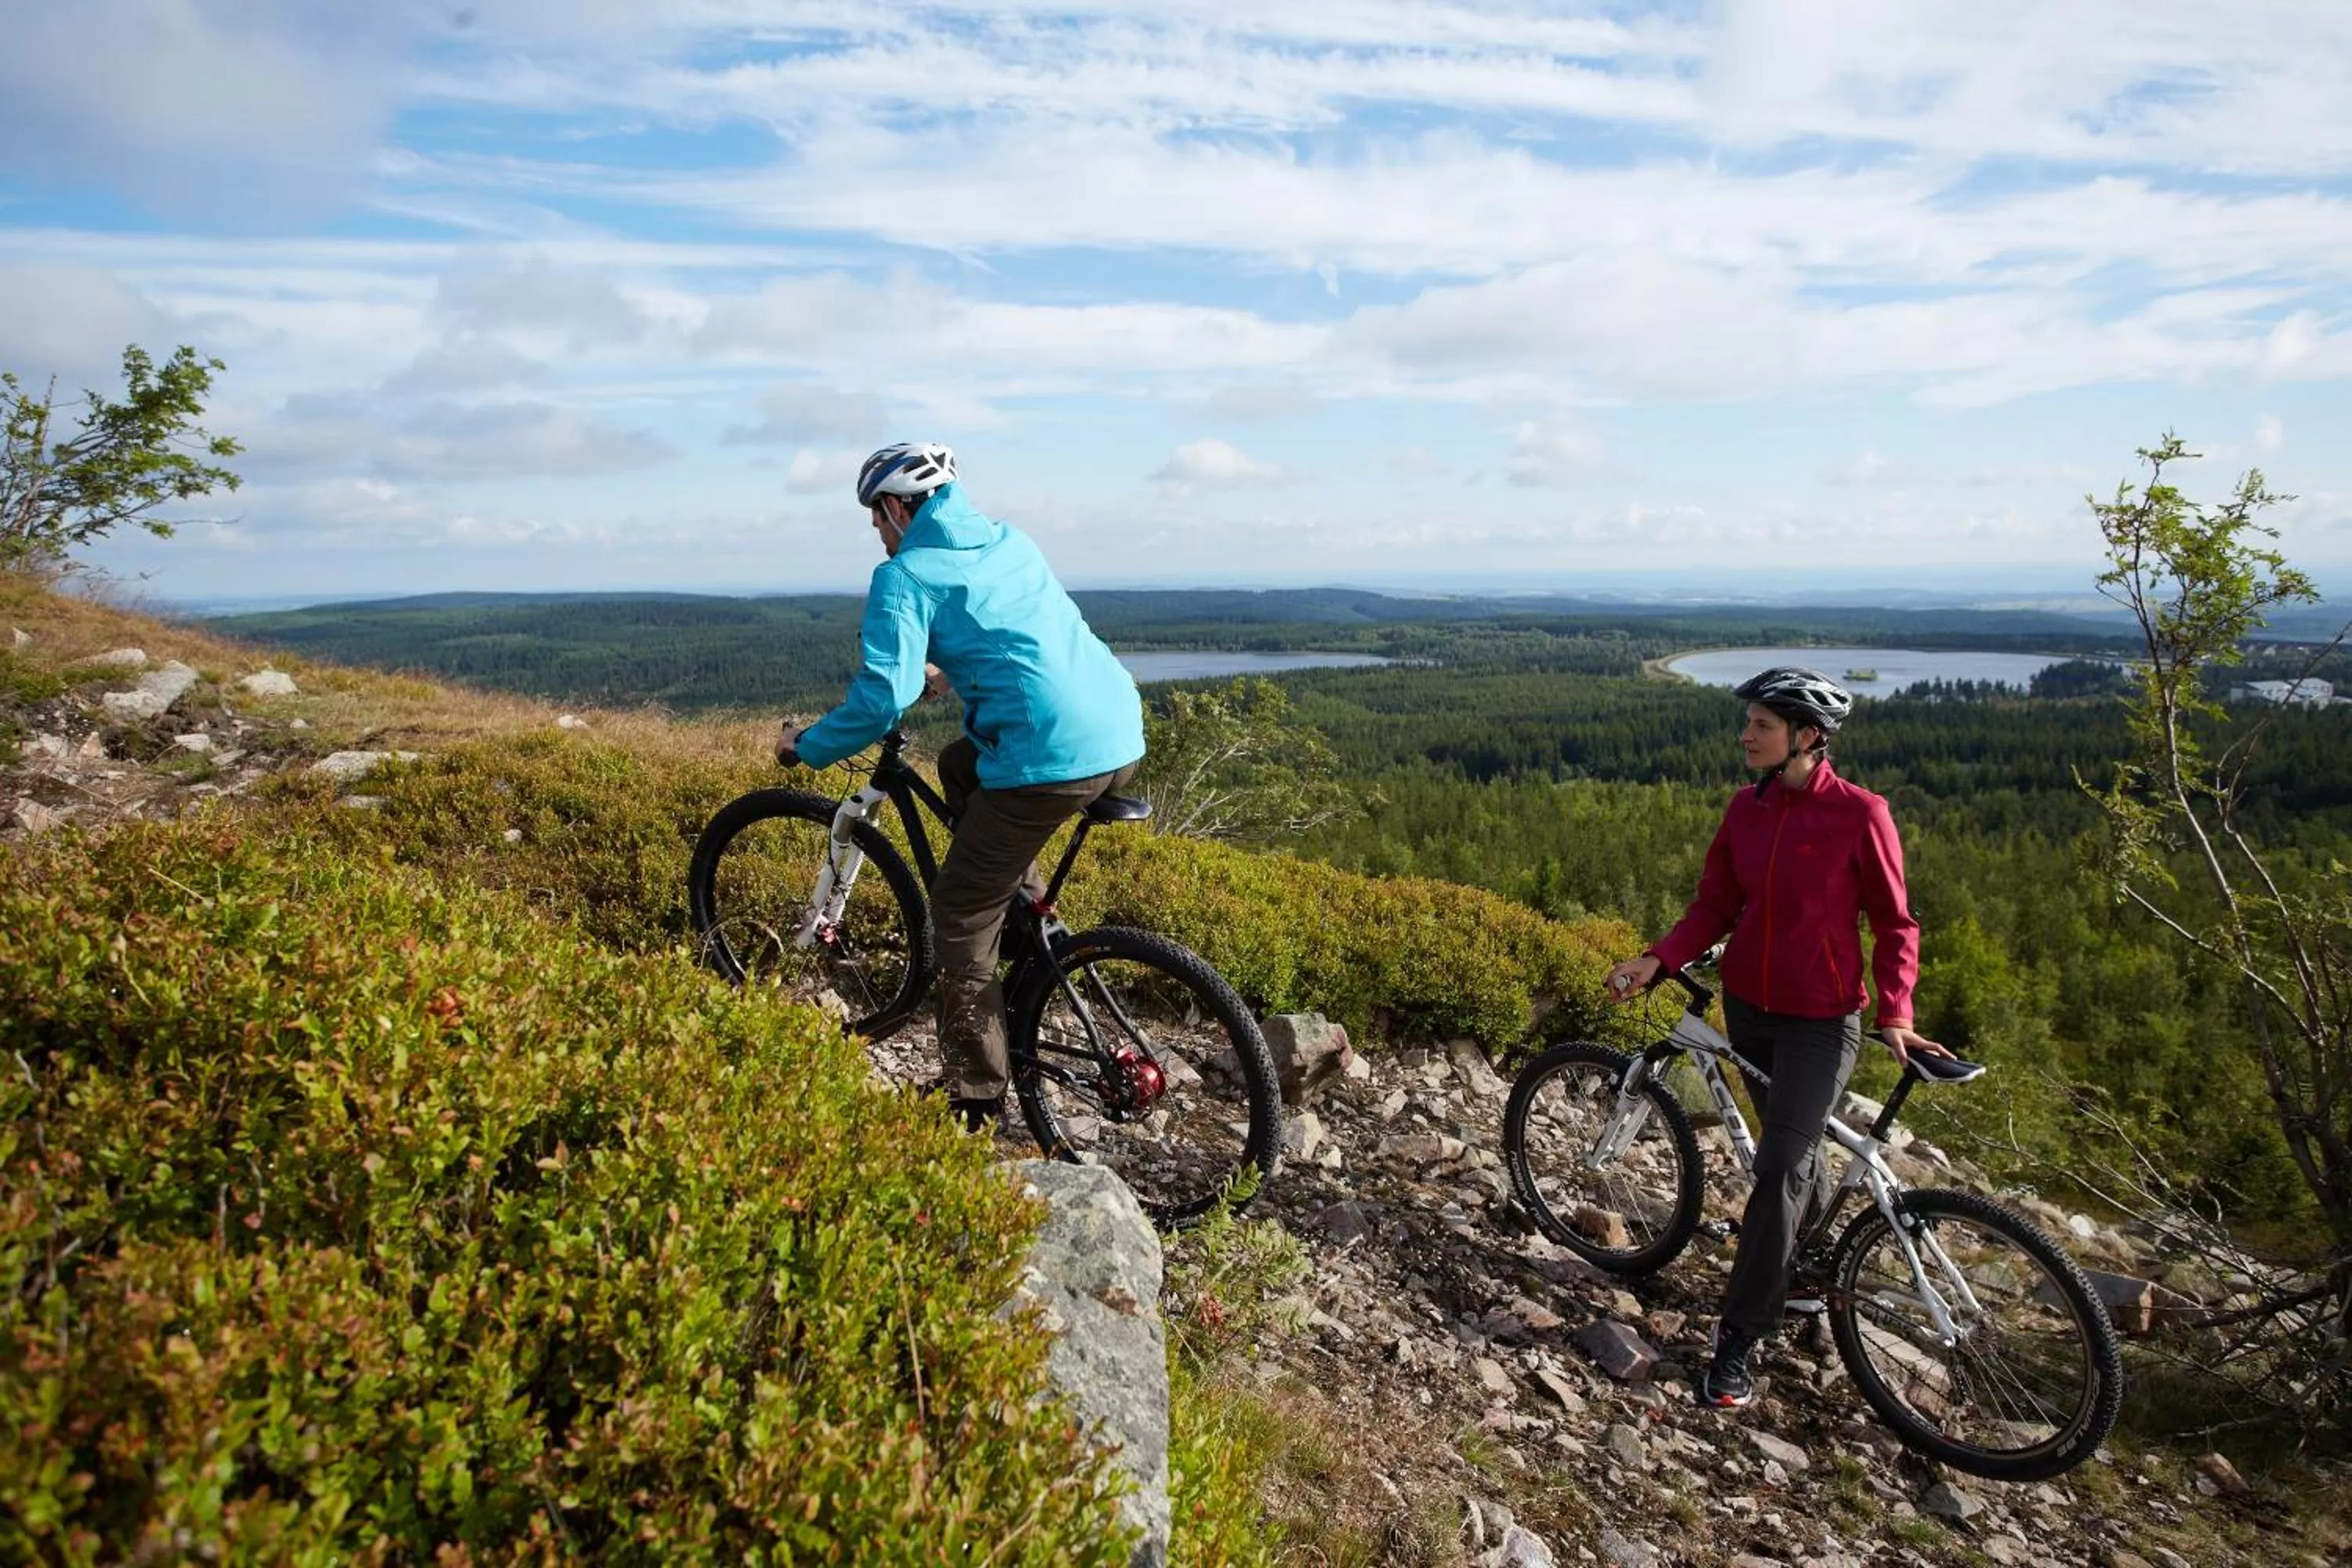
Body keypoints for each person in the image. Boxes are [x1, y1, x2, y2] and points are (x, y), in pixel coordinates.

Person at [1601, 666, 1950, 1410]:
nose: (1745, 736)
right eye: (1749, 723)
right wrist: (1658, 959)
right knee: (1792, 1158)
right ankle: (1801, 1274)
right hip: (1750, 1013)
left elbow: (1896, 925)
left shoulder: (1862, 814)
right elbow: (1716, 904)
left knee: (1778, 1167)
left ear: (1807, 735)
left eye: (1761, 725)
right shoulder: (1745, 810)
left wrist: (1898, 1013)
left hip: (1823, 1024)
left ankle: (1739, 1339)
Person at [775, 442, 1145, 1133]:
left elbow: (879, 702)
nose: (880, 537)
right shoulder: (1008, 540)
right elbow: (1020, 630)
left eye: (876, 522)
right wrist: (948, 670)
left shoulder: (905, 575)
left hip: (1048, 761)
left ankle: (974, 1093)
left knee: (959, 913)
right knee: (959, 766)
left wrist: (810, 747)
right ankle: (1025, 907)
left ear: (894, 508)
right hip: (1118, 733)